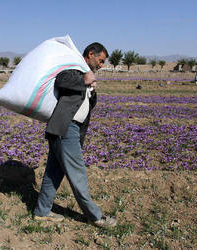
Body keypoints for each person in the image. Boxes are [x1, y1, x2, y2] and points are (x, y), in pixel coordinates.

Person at [33, 42, 117, 228]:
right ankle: (95, 216)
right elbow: (61, 80)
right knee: (78, 174)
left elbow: (84, 104)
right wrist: (84, 80)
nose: (101, 65)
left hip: (64, 129)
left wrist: (91, 92)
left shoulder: (83, 73)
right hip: (65, 128)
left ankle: (41, 211)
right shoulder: (75, 67)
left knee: (54, 173)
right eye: (100, 61)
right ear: (90, 54)